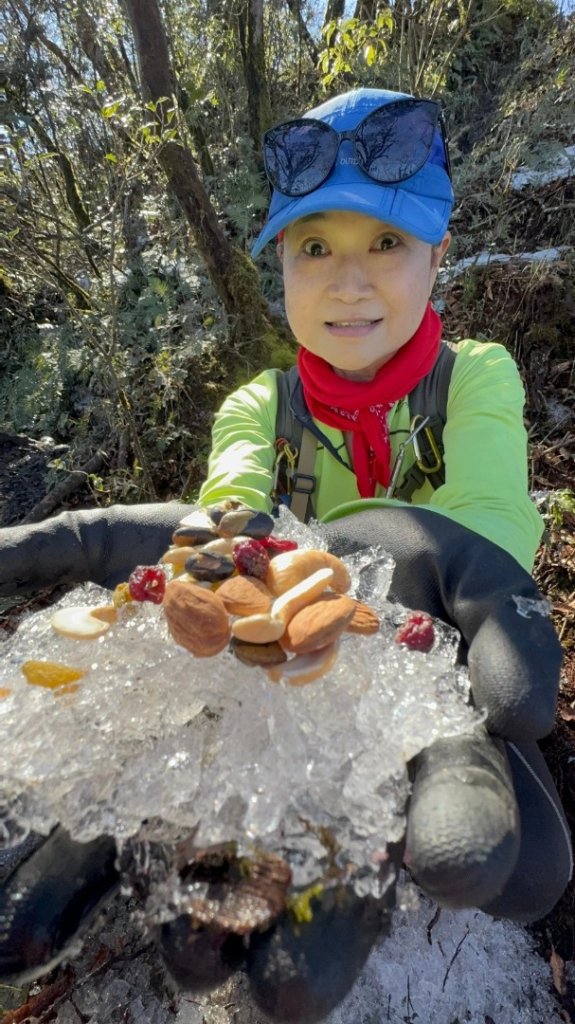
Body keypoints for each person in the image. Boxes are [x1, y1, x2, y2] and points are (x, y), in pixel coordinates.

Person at [0, 89, 571, 1022]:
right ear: (280, 269)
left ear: (439, 250)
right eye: (314, 249)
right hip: (290, 684)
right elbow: (229, 508)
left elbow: (487, 516)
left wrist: (353, 568)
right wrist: (200, 564)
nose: (348, 283)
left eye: (385, 241)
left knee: (516, 865)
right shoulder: (258, 406)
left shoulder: (478, 377)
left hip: (435, 670)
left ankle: (379, 836)